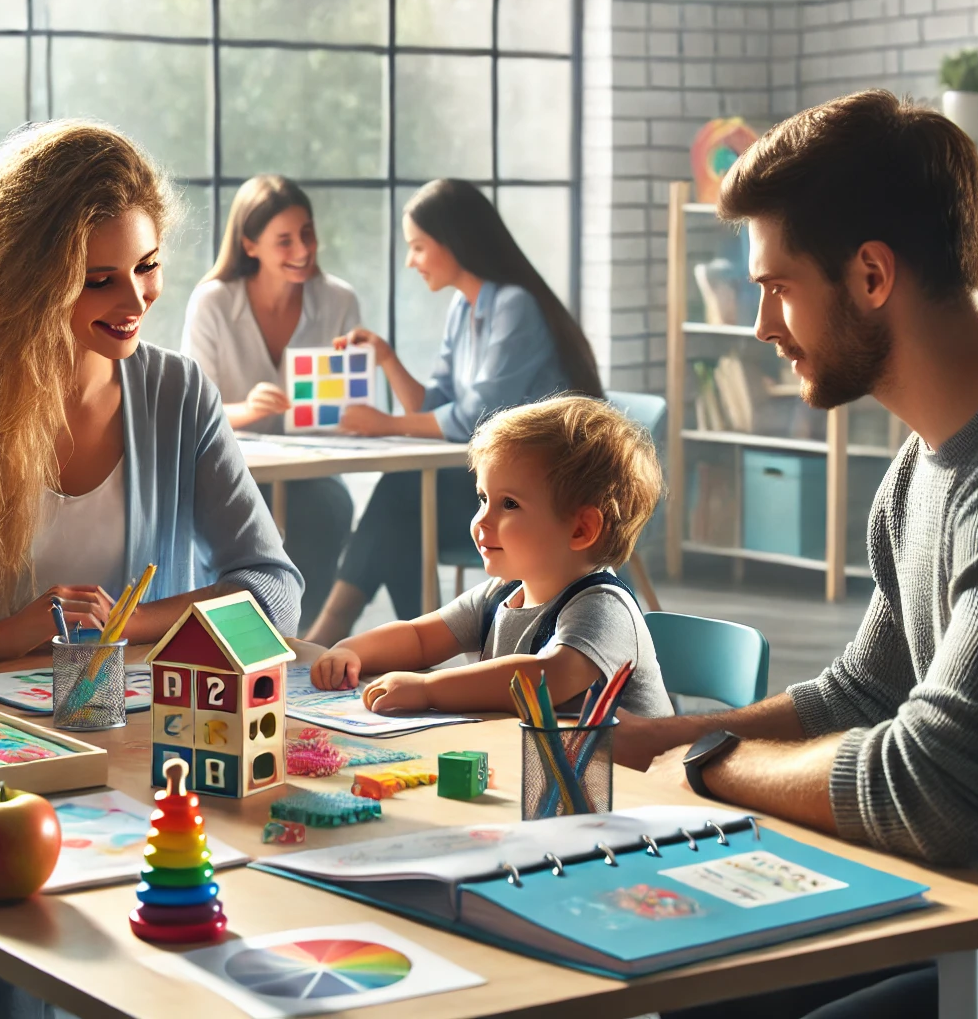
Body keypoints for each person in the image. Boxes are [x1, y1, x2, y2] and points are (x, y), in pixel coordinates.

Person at [612, 90, 978, 1019]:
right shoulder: (916, 471)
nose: (761, 327)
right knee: (683, 992)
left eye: (777, 287)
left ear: (870, 275)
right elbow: (865, 694)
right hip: (964, 899)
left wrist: (707, 764)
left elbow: (931, 786)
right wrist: (646, 743)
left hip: (976, 920)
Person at [0, 122, 303, 666]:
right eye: (100, 280)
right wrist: (7, 634)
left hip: (130, 722)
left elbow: (275, 592)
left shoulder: (180, 393)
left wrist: (130, 620)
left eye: (147, 266)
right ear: (29, 283)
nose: (136, 300)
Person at [307, 179, 605, 645]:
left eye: (419, 247)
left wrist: (383, 424)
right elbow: (434, 409)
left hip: (539, 501)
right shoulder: (462, 308)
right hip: (495, 488)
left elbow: (473, 421)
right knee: (403, 500)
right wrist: (386, 358)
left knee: (402, 497)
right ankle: (401, 641)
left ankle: (356, 633)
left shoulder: (514, 307)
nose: (411, 261)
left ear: (454, 242)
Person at [311, 397, 673, 720]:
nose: (481, 519)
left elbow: (548, 677)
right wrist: (351, 651)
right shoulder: (501, 593)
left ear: (581, 529)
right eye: (483, 498)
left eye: (509, 504)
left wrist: (429, 689)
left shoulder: (603, 607)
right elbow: (420, 638)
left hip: (625, 785)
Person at [181, 175, 357, 626]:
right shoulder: (213, 302)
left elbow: (344, 410)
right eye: (284, 240)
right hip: (233, 469)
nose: (302, 250)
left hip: (312, 468)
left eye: (307, 234)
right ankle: (226, 637)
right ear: (249, 244)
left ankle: (305, 637)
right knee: (226, 528)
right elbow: (189, 410)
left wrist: (354, 408)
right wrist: (247, 411)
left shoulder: (338, 300)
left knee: (329, 508)